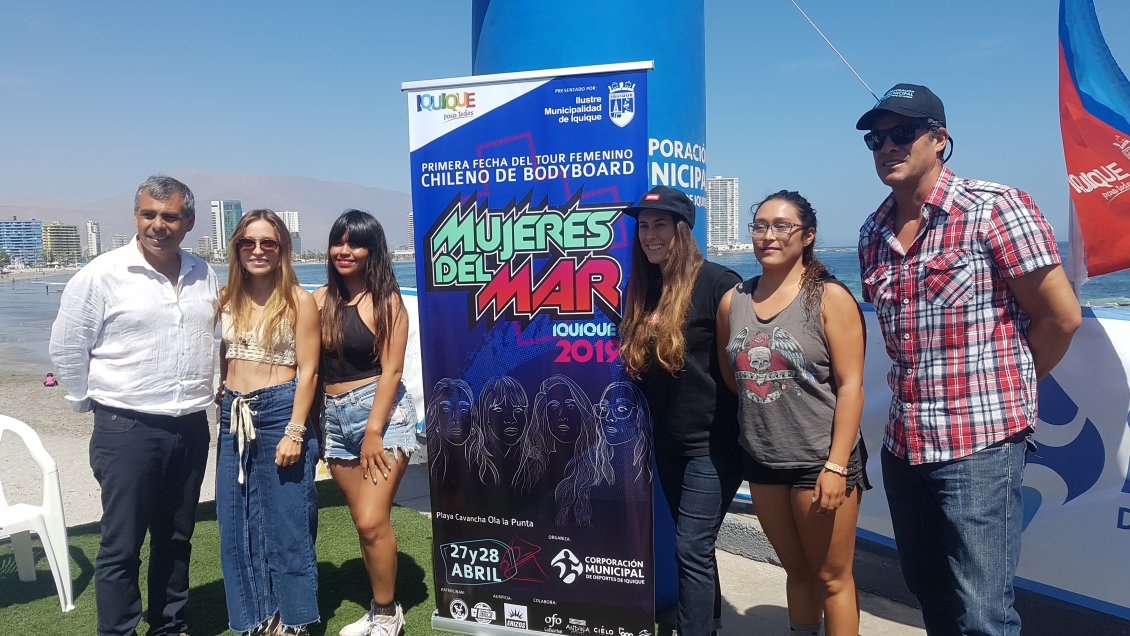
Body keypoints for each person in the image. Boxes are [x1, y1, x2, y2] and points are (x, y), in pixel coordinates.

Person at [856, 83, 1082, 635]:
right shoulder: (872, 232)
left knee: (983, 611)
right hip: (904, 444)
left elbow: (1060, 316)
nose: (887, 146)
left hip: (978, 444)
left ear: (940, 139)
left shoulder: (995, 209)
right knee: (928, 591)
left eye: (903, 133)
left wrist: (1004, 389)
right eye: (876, 138)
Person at [49, 175, 218, 636]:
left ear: (189, 222)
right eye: (149, 214)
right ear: (136, 216)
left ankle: (168, 625)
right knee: (121, 544)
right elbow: (67, 349)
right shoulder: (101, 275)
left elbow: (212, 341)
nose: (158, 225)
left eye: (170, 216)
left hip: (190, 426)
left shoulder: (205, 273)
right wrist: (92, 404)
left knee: (176, 537)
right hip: (126, 429)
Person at [717, 191, 868, 636]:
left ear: (807, 235)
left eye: (782, 226)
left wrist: (837, 466)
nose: (769, 235)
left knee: (832, 578)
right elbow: (734, 376)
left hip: (820, 461)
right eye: (760, 225)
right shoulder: (734, 300)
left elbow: (852, 386)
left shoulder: (829, 298)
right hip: (763, 460)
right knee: (797, 572)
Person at [617, 185, 742, 636]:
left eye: (660, 226)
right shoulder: (643, 290)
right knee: (696, 548)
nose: (650, 235)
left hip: (714, 445)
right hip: (666, 446)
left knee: (691, 546)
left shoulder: (719, 285)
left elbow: (741, 370)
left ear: (682, 231)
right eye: (644, 227)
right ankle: (707, 623)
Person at [216, 210, 320, 635]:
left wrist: (295, 430)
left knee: (288, 522)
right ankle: (255, 619)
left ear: (282, 250)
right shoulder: (224, 298)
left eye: (268, 243)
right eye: (248, 243)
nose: (257, 251)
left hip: (281, 412)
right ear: (237, 248)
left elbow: (309, 371)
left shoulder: (299, 300)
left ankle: (292, 620)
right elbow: (219, 359)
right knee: (236, 524)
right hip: (232, 415)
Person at [314, 210, 418, 636]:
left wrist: (373, 432)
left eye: (355, 243)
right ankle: (379, 608)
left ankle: (388, 613)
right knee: (364, 520)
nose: (345, 251)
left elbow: (392, 372)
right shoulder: (318, 300)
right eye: (338, 242)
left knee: (372, 520)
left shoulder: (388, 302)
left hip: (383, 415)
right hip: (333, 418)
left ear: (372, 251)